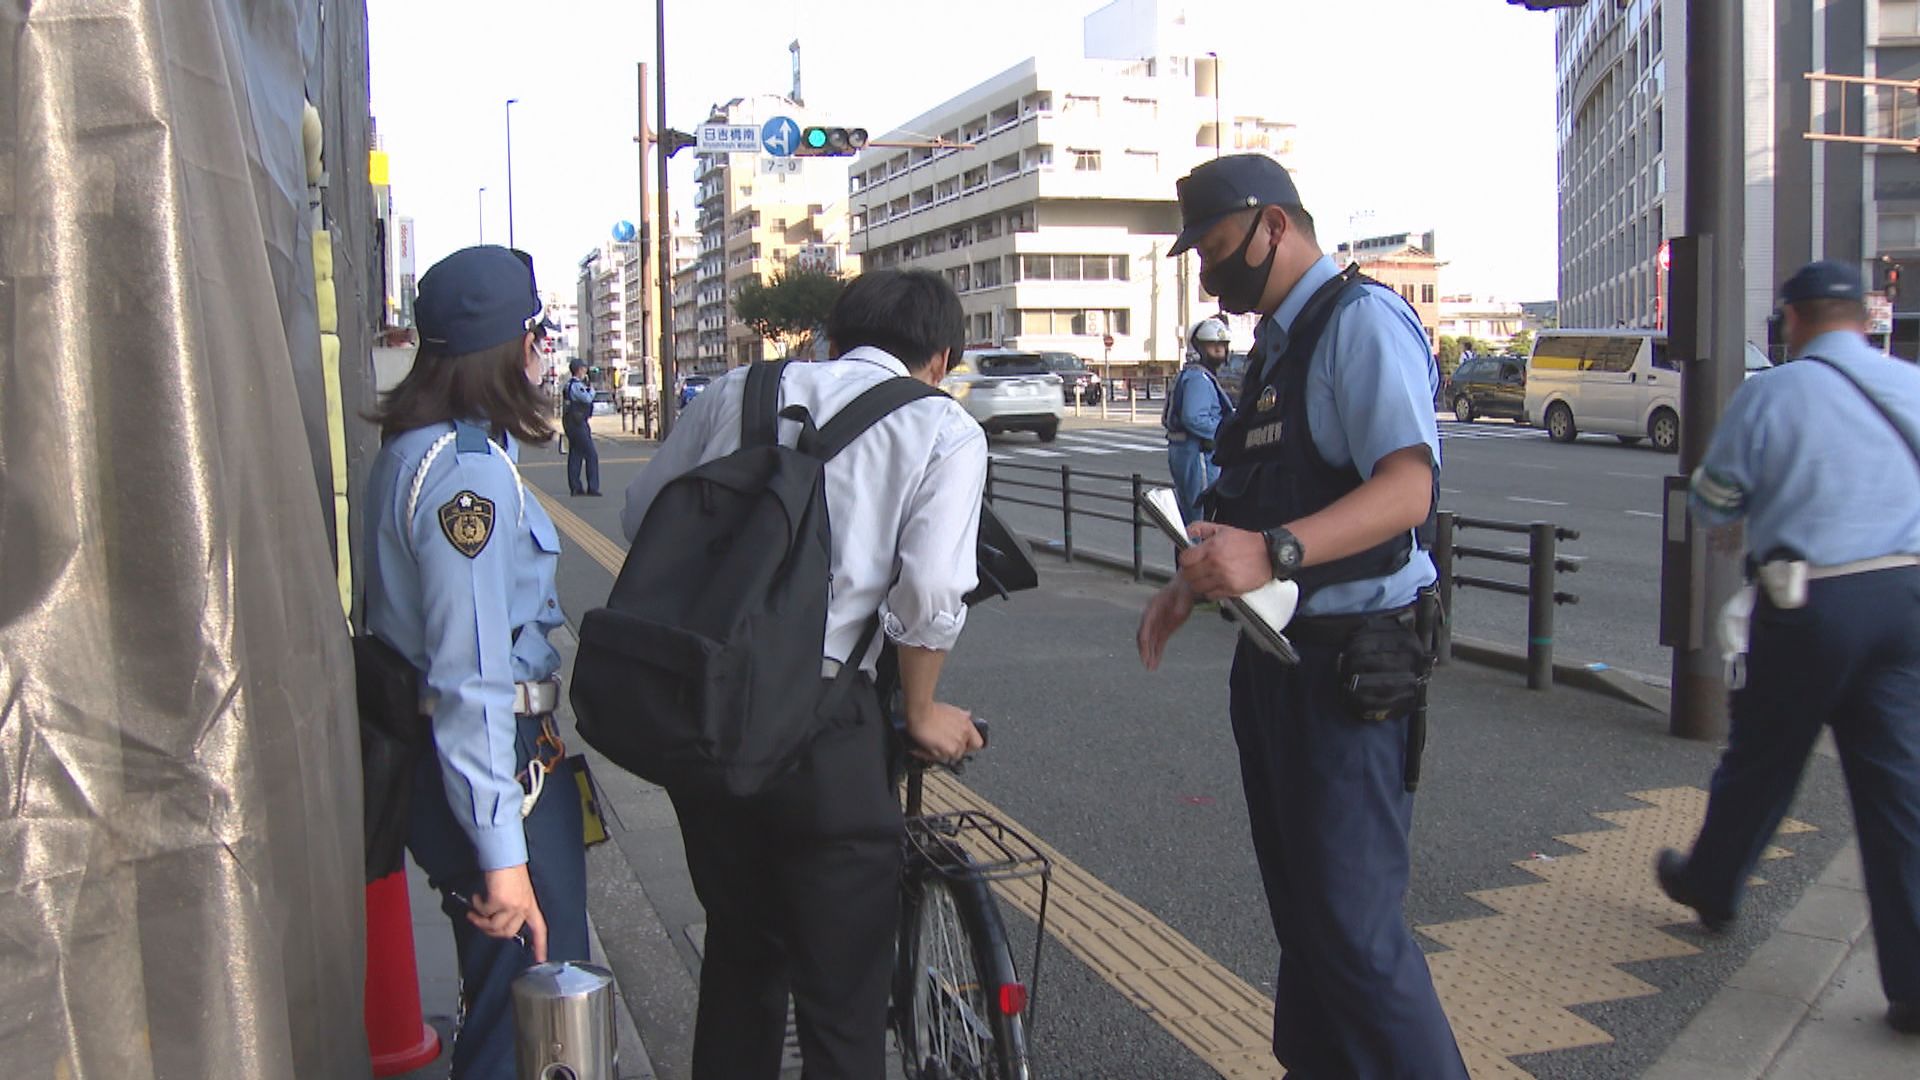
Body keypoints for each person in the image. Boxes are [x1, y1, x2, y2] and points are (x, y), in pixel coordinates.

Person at [1136, 154, 1465, 1077]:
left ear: (1274, 225)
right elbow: (1262, 483)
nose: (1208, 269)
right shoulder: (1280, 340)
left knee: (1357, 936)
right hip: (1280, 661)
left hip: (1352, 668)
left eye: (1216, 245)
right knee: (1308, 922)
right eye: (1196, 253)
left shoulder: (1360, 322)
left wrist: (1271, 551)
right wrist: (1199, 574)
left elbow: (1408, 489)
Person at [620, 269, 987, 1079]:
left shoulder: (732, 393)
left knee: (742, 955)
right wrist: (921, 709)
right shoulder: (940, 428)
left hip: (709, 712)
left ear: (833, 334)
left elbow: (643, 515)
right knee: (842, 999)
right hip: (825, 724)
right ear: (942, 355)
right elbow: (929, 588)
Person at [1657, 260, 1920, 1036]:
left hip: (1811, 599)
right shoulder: (1908, 384)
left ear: (1795, 320)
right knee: (1897, 783)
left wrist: (1753, 504)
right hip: (1906, 597)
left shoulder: (1774, 391)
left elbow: (1713, 496)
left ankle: (1712, 881)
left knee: (1766, 751)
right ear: (1862, 319)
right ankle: (1913, 981)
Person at [363, 245, 589, 1079]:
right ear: (507, 346)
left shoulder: (410, 449)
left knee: (511, 1001)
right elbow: (472, 679)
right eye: (538, 332)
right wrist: (504, 860)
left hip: (455, 766)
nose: (545, 351)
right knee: (525, 1016)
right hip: (498, 775)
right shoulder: (467, 480)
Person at [1164, 316, 1237, 524]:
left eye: (1222, 346)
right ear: (1199, 348)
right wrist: (1225, 432)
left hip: (1192, 451)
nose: (1220, 352)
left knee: (1194, 513)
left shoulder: (1195, 375)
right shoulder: (1198, 378)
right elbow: (1194, 418)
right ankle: (1196, 553)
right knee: (1201, 515)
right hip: (1198, 454)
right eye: (1214, 347)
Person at [563, 360, 601, 496]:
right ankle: (593, 487)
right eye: (584, 369)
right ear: (579, 370)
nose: (585, 372)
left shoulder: (568, 385)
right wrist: (592, 389)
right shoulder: (576, 386)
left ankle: (576, 487)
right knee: (591, 454)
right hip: (578, 424)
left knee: (576, 454)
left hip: (571, 423)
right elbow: (587, 398)